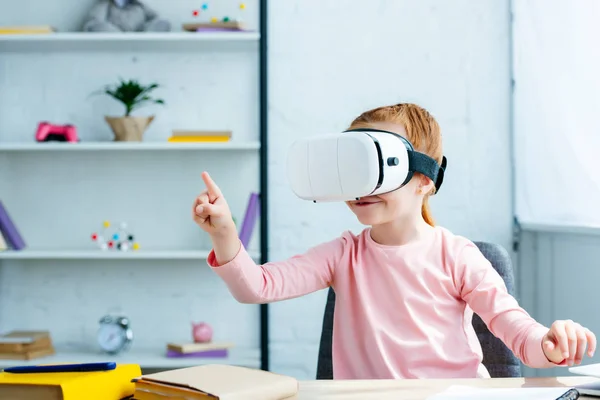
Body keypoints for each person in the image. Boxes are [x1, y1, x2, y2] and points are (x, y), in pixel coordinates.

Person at [191, 103, 596, 380]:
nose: (362, 187)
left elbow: (519, 335)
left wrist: (551, 345)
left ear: (424, 179)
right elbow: (256, 286)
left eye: (377, 167)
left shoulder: (457, 256)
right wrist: (225, 231)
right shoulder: (343, 255)